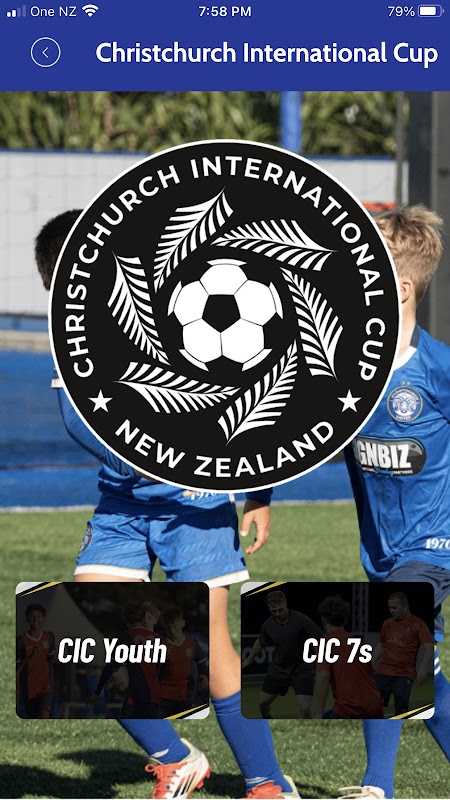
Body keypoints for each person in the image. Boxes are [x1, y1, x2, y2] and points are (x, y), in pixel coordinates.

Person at [35, 209, 298, 800]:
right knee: (79, 635)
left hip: (196, 509)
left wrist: (258, 491)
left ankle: (266, 782)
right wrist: (150, 456)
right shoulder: (71, 338)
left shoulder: (182, 306)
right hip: (123, 507)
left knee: (210, 643)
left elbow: (264, 403)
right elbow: (80, 424)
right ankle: (176, 759)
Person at [343, 206, 450, 799]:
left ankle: (375, 788)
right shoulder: (342, 370)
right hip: (381, 549)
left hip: (435, 545)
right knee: (419, 673)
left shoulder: (438, 369)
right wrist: (259, 495)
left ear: (401, 289)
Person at [242, 589, 323, 719]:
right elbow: (260, 642)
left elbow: (320, 638)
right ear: (269, 608)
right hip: (278, 669)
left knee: (305, 709)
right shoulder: (268, 624)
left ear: (285, 604)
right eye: (273, 611)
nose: (277, 614)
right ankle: (268, 722)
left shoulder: (301, 619)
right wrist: (248, 660)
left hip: (302, 669)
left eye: (280, 610)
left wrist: (320, 662)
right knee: (263, 704)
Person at [314, 595, 384, 720]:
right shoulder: (356, 642)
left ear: (323, 620)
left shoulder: (325, 642)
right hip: (375, 706)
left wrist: (318, 713)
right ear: (346, 620)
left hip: (349, 709)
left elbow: (323, 676)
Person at [91, 602, 163, 719]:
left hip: (136, 695)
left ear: (125, 620)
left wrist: (97, 692)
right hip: (154, 696)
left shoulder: (125, 637)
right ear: (142, 619)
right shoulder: (159, 639)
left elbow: (110, 667)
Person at [371, 592, 433, 716]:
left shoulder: (418, 624)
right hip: (383, 672)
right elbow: (381, 645)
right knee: (372, 707)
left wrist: (423, 668)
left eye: (395, 608)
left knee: (401, 709)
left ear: (405, 605)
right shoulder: (387, 624)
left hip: (404, 674)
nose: (392, 611)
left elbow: (429, 647)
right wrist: (371, 663)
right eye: (390, 608)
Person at [159, 604, 209, 716]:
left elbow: (201, 664)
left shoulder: (192, 643)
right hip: (163, 698)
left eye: (175, 627)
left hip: (185, 697)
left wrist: (204, 677)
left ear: (183, 623)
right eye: (169, 627)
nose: (172, 631)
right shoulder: (160, 644)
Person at [16, 604, 56, 719]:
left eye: (39, 616)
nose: (35, 619)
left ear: (43, 619)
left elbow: (53, 657)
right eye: (32, 616)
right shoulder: (20, 640)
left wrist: (56, 657)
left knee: (44, 715)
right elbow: (17, 667)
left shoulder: (49, 636)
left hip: (46, 687)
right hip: (29, 688)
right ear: (27, 618)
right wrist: (29, 657)